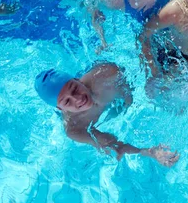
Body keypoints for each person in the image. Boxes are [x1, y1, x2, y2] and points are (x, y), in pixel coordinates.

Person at [34, 64, 180, 166]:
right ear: (60, 109)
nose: (78, 98)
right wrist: (151, 152)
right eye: (67, 101)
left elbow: (135, 87)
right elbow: (114, 147)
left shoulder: (106, 75)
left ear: (77, 80)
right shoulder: (75, 128)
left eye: (74, 88)